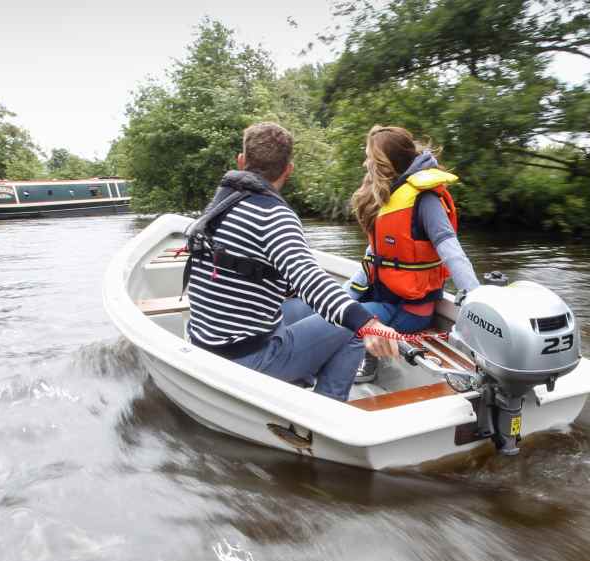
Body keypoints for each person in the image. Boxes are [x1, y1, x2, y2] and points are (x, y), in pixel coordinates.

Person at [183, 122, 399, 401]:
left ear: (241, 161)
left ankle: (302, 374)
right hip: (245, 359)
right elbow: (309, 277)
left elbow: (255, 268)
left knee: (306, 307)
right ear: (289, 170)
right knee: (352, 325)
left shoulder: (221, 203)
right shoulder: (274, 216)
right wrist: (368, 323)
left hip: (204, 341)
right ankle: (325, 412)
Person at [344, 126, 481, 383]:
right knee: (338, 309)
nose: (365, 163)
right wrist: (340, 297)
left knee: (344, 321)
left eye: (369, 158)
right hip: (386, 300)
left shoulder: (424, 201)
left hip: (410, 310)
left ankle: (367, 366)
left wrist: (479, 299)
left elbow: (452, 253)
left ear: (385, 164)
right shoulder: (392, 196)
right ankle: (363, 355)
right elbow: (373, 257)